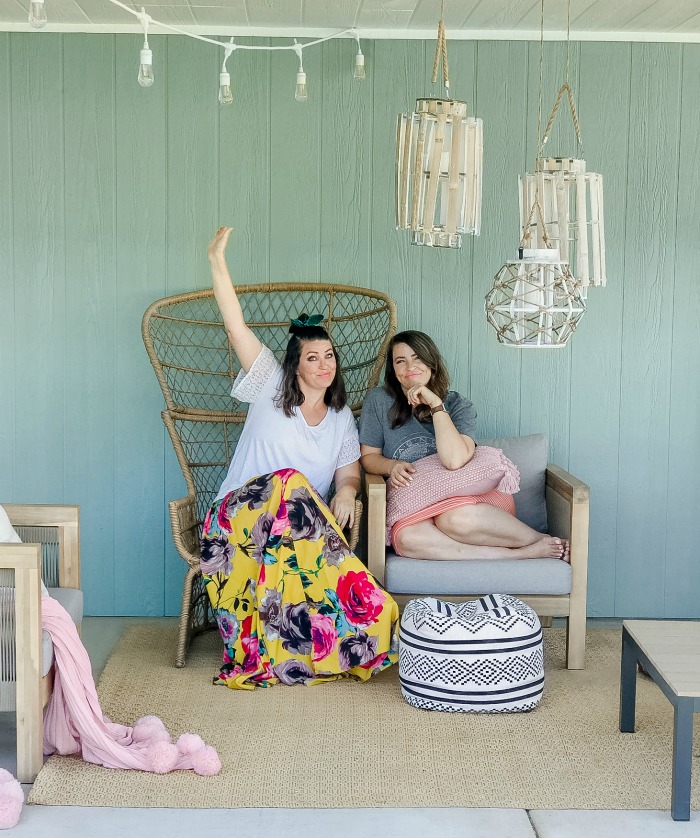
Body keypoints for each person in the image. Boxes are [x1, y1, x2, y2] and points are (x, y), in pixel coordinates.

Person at [201, 227, 398, 690]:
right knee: (290, 480)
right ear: (295, 365)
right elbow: (235, 326)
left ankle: (371, 616)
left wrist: (348, 492)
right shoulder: (269, 383)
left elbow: (349, 475)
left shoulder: (340, 419)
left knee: (301, 500)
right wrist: (218, 263)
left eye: (330, 356)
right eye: (313, 357)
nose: (325, 364)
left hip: (296, 534)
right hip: (234, 523)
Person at [359, 330, 569, 562]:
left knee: (453, 519)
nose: (410, 366)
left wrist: (436, 405)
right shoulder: (379, 401)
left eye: (417, 357)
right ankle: (517, 555)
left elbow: (453, 460)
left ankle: (536, 539)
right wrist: (391, 466)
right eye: (401, 361)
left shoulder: (458, 406)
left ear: (432, 362)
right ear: (394, 371)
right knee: (406, 539)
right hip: (416, 506)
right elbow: (369, 457)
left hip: (474, 502)